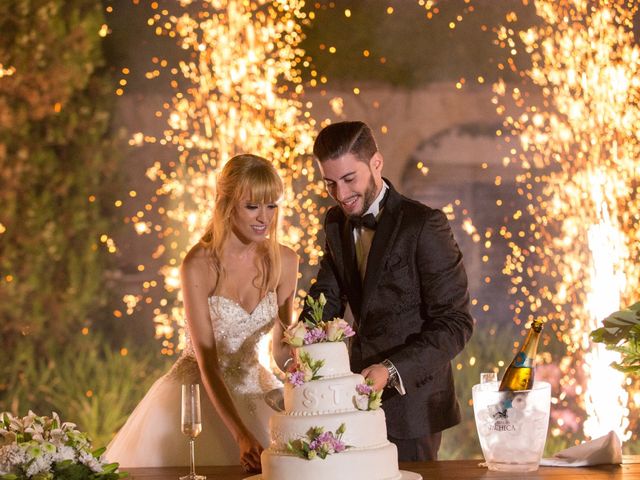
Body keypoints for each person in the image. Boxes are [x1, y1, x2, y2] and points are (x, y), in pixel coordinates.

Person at [106, 154, 298, 473]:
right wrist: (240, 435)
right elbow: (207, 359)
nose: (265, 218)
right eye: (253, 206)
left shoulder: (285, 261)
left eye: (272, 205)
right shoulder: (198, 265)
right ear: (226, 205)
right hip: (198, 394)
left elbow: (281, 350)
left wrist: (309, 378)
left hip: (255, 388)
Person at [301, 121, 473, 461]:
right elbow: (326, 297)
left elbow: (456, 324)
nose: (340, 194)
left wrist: (391, 370)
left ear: (376, 163)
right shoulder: (335, 222)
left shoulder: (424, 224)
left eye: (350, 179)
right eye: (330, 183)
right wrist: (303, 341)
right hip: (352, 401)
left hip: (413, 407)